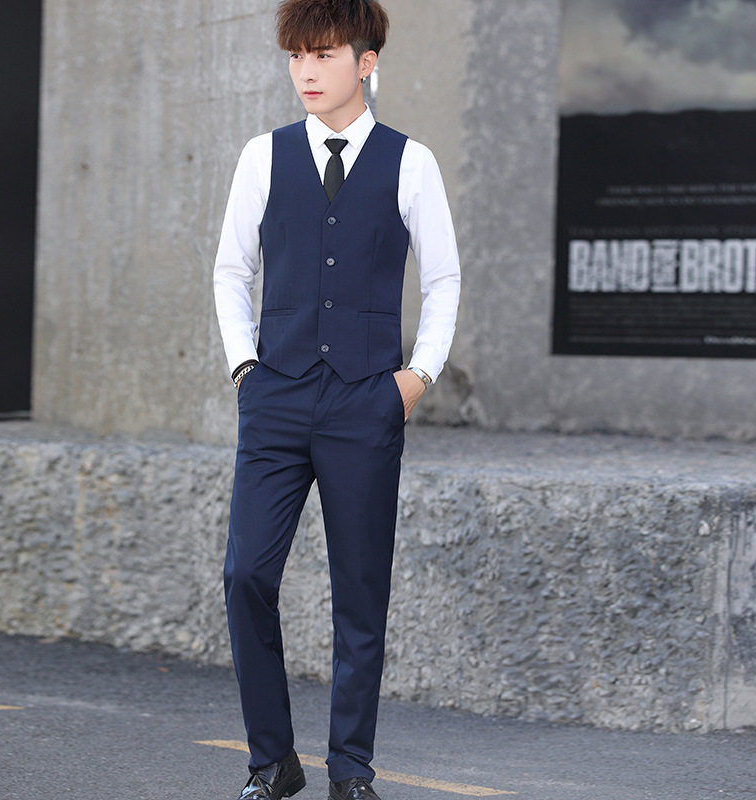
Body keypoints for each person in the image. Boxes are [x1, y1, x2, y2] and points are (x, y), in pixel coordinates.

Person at [213, 1, 460, 799]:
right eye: (297, 56)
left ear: (366, 60)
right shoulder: (263, 155)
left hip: (366, 403)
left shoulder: (411, 162)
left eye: (323, 54)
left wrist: (416, 377)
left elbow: (444, 277)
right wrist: (245, 368)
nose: (307, 72)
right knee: (246, 574)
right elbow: (231, 270)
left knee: (360, 595)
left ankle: (350, 770)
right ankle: (272, 762)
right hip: (276, 398)